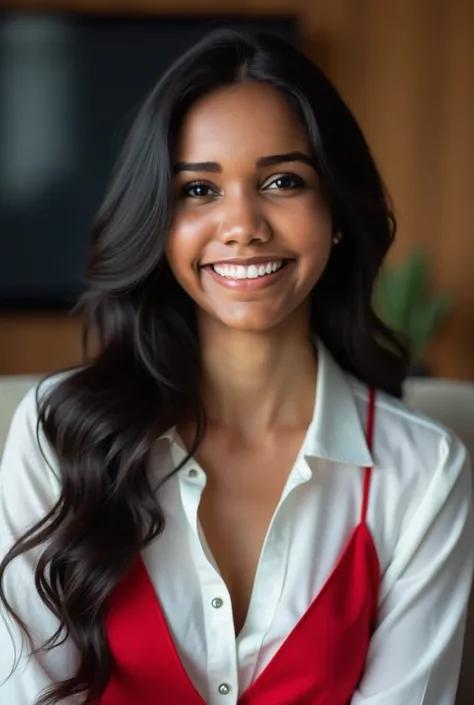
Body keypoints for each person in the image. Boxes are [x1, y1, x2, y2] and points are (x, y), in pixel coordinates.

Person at [0, 28, 472, 705]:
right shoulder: (54, 438)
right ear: (155, 220)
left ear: (335, 211)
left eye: (283, 181)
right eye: (198, 189)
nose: (243, 224)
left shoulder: (424, 474)